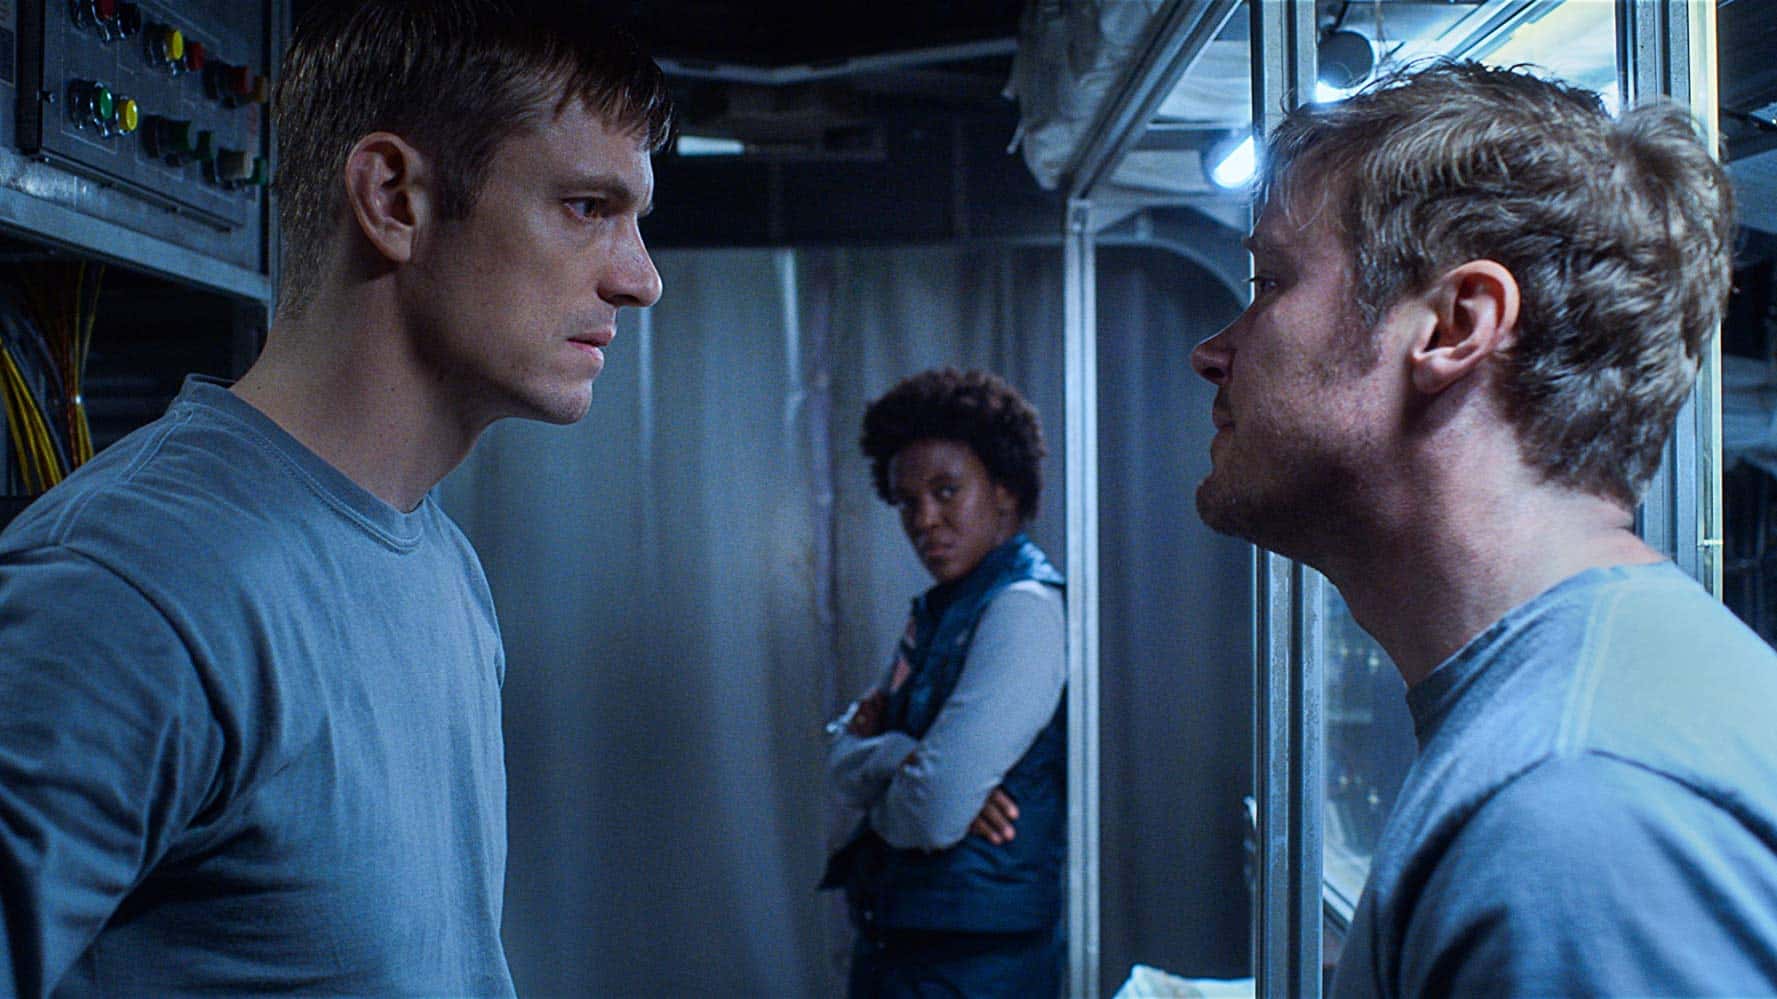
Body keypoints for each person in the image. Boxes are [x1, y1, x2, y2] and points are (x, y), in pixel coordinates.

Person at [0, 1, 668, 994]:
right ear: (395, 199)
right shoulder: (130, 592)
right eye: (585, 207)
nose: (640, 280)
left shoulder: (441, 564)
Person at [1190, 60, 1777, 994]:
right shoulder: (1578, 719)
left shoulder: (1574, 805)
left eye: (1270, 282)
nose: (1211, 352)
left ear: (1456, 324)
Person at [820, 368, 1067, 998]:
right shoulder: (938, 612)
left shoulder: (1022, 608)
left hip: (973, 970)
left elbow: (931, 812)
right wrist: (905, 757)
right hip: (906, 950)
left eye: (946, 491)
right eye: (907, 501)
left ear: (1004, 491)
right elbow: (841, 763)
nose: (924, 519)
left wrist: (924, 781)